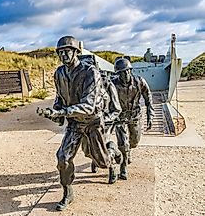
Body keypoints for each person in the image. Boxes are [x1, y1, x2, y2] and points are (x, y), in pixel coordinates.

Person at [42, 36, 121, 211]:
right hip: (74, 124)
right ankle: (68, 192)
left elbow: (88, 105)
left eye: (67, 51)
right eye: (60, 52)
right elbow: (60, 99)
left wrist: (62, 111)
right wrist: (53, 112)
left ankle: (112, 154)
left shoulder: (90, 72)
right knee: (63, 157)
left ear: (76, 52)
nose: (63, 55)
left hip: (92, 122)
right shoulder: (59, 73)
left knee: (101, 161)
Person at [112, 58, 154, 180]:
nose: (125, 74)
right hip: (120, 118)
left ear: (130, 70)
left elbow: (148, 98)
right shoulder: (113, 84)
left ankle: (128, 152)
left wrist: (150, 116)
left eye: (127, 71)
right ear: (118, 73)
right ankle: (123, 166)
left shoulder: (139, 82)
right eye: (121, 72)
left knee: (134, 141)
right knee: (123, 143)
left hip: (135, 116)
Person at [84, 70, 122, 173]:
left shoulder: (109, 86)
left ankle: (112, 162)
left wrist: (106, 119)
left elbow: (117, 109)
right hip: (89, 122)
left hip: (105, 122)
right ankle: (95, 158)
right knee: (87, 150)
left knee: (102, 146)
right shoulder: (87, 86)